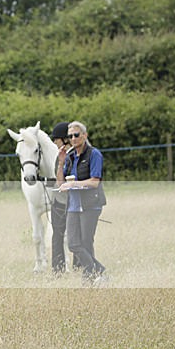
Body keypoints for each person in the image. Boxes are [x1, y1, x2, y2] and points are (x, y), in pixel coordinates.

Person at [57, 121, 107, 285]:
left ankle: (89, 279)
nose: (73, 138)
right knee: (73, 244)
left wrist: (74, 184)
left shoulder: (94, 154)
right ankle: (99, 271)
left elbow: (94, 182)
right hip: (73, 206)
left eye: (76, 135)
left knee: (86, 242)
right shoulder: (70, 156)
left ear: (84, 135)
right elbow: (60, 183)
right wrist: (61, 162)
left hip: (90, 205)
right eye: (70, 136)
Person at [49, 121, 79, 275]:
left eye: (56, 139)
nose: (54, 142)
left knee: (77, 235)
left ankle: (79, 268)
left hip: (75, 201)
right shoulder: (58, 156)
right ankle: (57, 270)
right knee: (57, 235)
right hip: (59, 202)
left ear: (65, 139)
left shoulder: (79, 154)